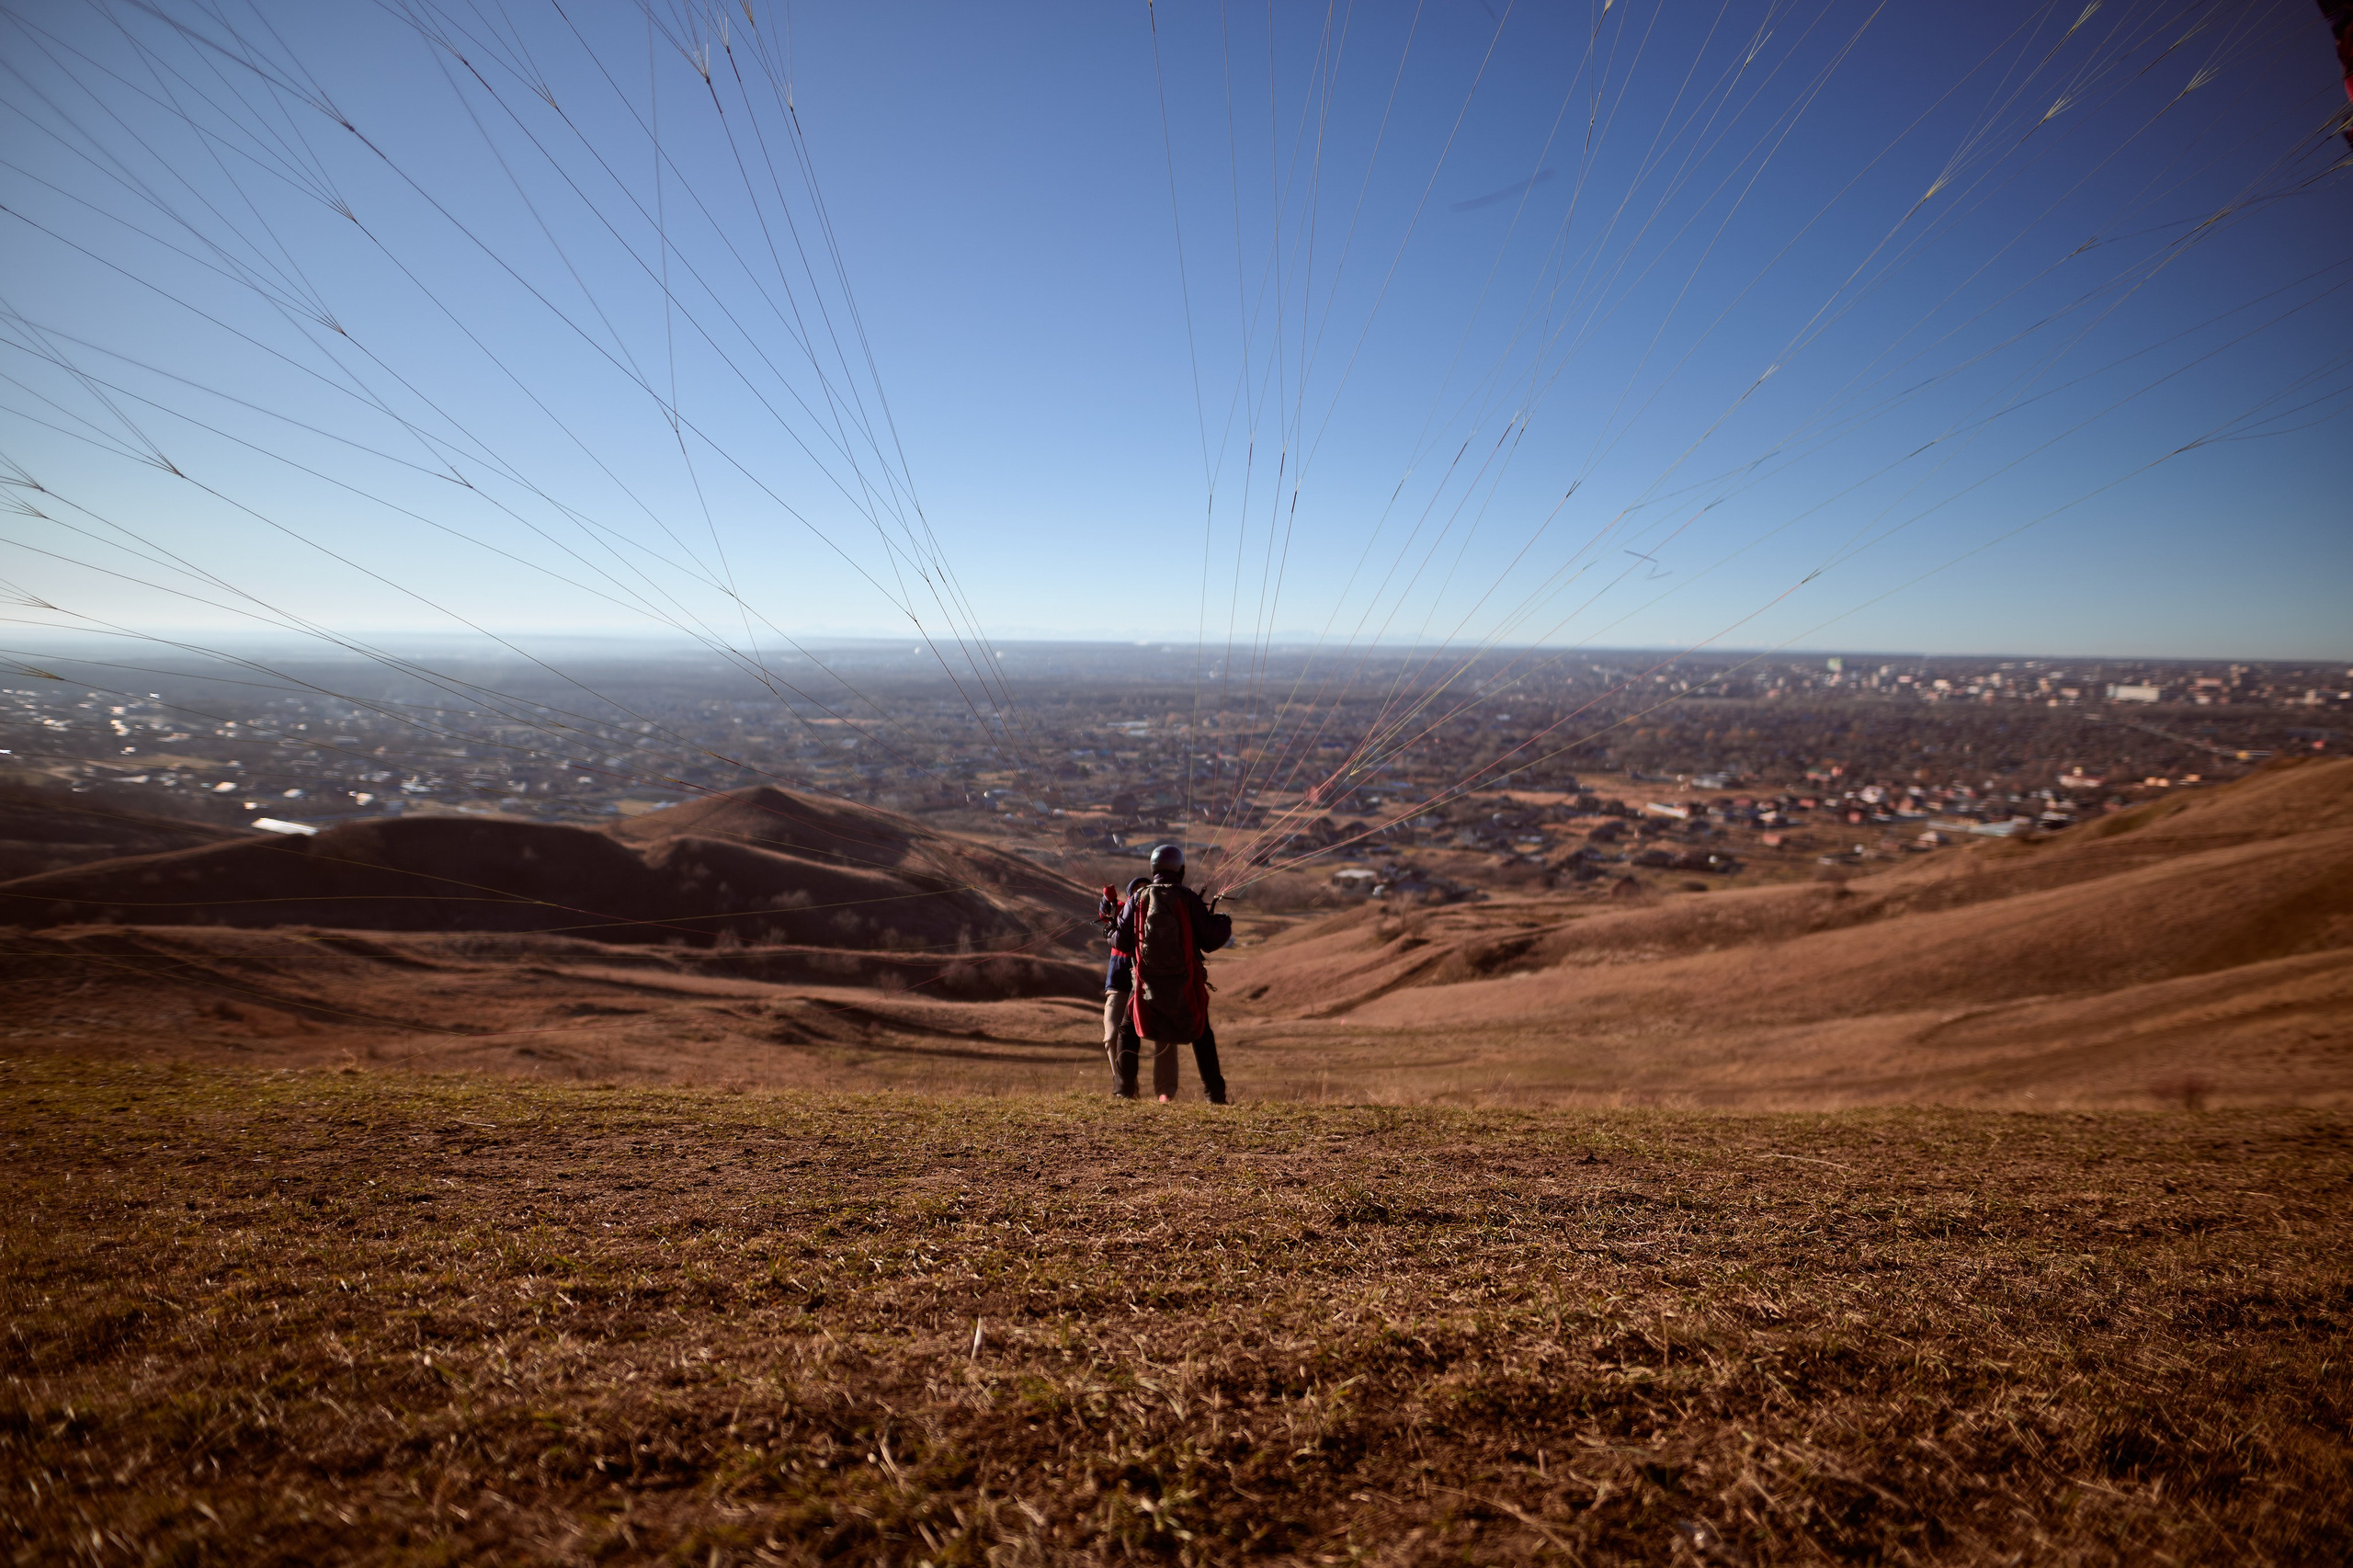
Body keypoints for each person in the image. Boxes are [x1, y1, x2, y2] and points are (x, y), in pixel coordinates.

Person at [1112, 843, 1233, 1103]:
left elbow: (1121, 942)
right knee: (1201, 1032)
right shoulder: (1187, 898)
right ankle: (1215, 1094)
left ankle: (1123, 1090)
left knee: (1127, 1030)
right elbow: (1209, 940)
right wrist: (1224, 922)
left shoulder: (1139, 897)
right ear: (1181, 869)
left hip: (1146, 984)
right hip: (1185, 984)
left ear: (1154, 869)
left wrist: (1110, 932)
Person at [1100, 875, 1150, 1098]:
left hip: (1146, 984)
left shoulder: (1157, 916)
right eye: (1137, 891)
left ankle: (1164, 1091)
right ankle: (1124, 1084)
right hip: (1119, 984)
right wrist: (1106, 898)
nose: (1141, 894)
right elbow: (1105, 913)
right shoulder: (1121, 910)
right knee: (1111, 1035)